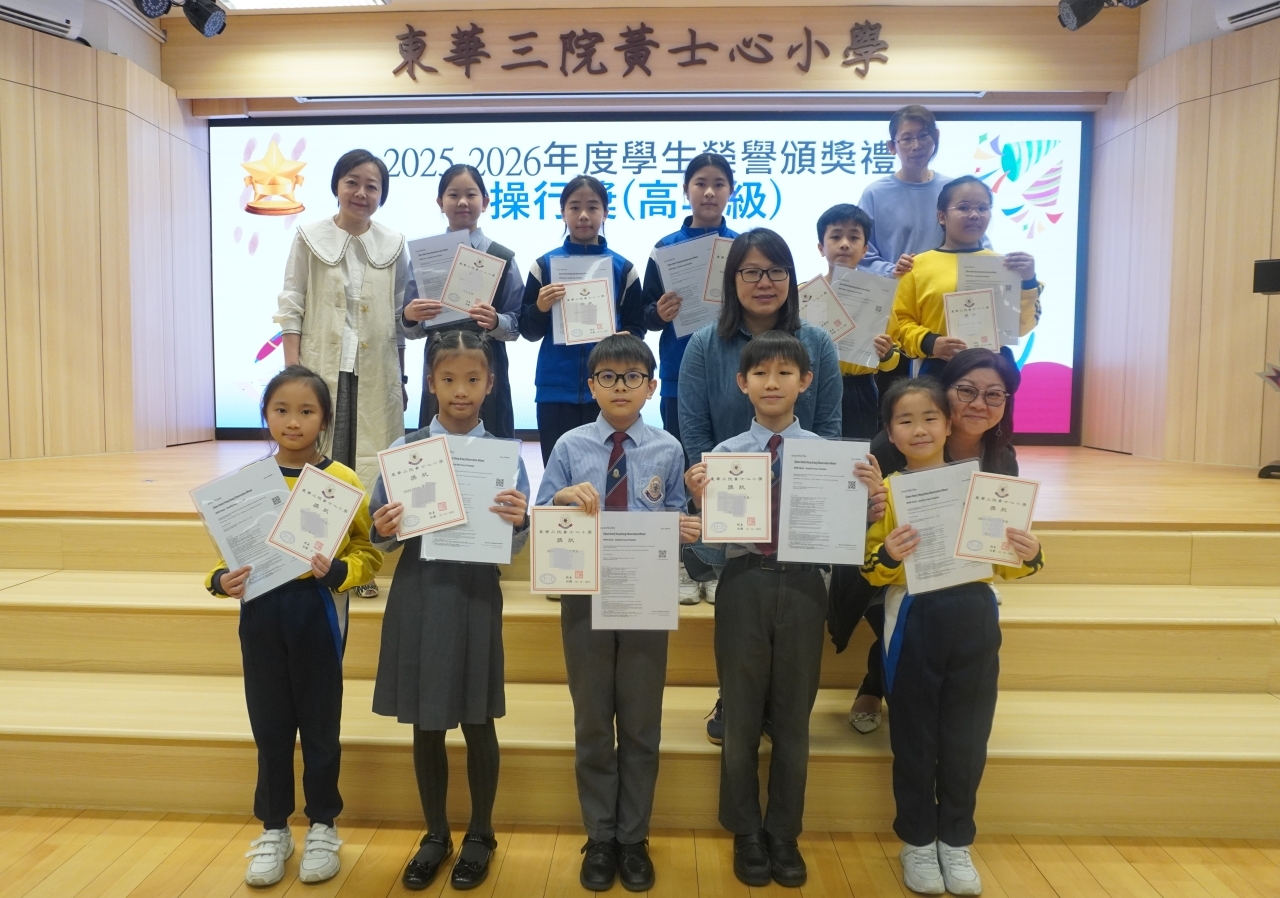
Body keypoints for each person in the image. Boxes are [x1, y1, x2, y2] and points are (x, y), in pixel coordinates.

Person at [684, 330, 878, 890]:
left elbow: (844, 538)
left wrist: (866, 505)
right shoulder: (723, 457)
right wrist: (701, 502)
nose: (772, 383)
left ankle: (784, 831)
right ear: (741, 383)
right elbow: (712, 549)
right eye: (760, 373)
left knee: (794, 717)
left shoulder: (830, 456)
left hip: (804, 586)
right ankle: (745, 829)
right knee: (741, 714)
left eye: (784, 373)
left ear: (806, 381)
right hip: (742, 583)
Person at [863, 377, 1043, 896]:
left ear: (948, 424)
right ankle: (918, 841)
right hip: (913, 615)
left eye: (929, 418)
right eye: (905, 421)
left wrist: (1029, 553)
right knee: (915, 737)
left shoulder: (984, 487)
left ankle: (956, 841)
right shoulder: (887, 493)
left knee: (967, 736)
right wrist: (890, 554)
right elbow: (871, 570)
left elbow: (1009, 565)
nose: (919, 429)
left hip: (974, 614)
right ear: (890, 433)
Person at [535, 333, 701, 892]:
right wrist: (562, 500)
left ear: (652, 387)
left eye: (633, 377)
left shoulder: (667, 449)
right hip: (584, 596)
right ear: (592, 386)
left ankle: (633, 837)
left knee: (640, 722)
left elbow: (675, 512)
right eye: (608, 377)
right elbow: (542, 511)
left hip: (645, 597)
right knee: (591, 721)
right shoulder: (570, 445)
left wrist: (682, 528)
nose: (620, 386)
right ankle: (600, 835)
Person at [206, 366, 381, 888]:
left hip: (316, 613)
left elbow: (368, 551)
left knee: (321, 728)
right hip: (260, 615)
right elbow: (225, 557)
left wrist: (342, 572)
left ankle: (324, 825)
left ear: (324, 420)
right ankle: (274, 828)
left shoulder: (342, 480)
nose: (293, 421)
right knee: (271, 728)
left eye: (307, 411)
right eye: (281, 410)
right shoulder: (246, 484)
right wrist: (220, 580)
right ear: (266, 415)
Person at [368, 330, 529, 892]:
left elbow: (515, 544)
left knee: (479, 717)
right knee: (427, 718)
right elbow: (380, 536)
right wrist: (384, 527)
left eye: (473, 379)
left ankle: (481, 833)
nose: (461, 390)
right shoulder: (406, 450)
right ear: (431, 383)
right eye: (449, 378)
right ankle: (435, 833)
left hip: (476, 594)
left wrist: (520, 523)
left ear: (491, 383)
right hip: (420, 591)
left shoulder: (504, 457)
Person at [677, 227, 841, 743]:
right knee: (740, 615)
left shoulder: (817, 342)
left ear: (790, 278)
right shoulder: (705, 344)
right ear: (732, 280)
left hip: (799, 504)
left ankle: (780, 706)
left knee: (791, 615)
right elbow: (694, 429)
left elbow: (829, 428)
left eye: (775, 271)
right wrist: (709, 490)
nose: (764, 282)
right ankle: (735, 696)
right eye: (751, 271)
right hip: (732, 507)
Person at [845, 348, 1022, 736]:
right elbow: (852, 520)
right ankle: (875, 683)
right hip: (891, 570)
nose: (979, 404)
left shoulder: (1001, 459)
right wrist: (869, 511)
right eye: (967, 391)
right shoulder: (895, 443)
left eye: (994, 394)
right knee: (909, 609)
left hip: (954, 574)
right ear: (946, 393)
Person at [274, 148, 408, 599]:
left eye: (372, 186)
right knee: (324, 463)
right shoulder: (309, 237)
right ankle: (311, 556)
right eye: (352, 182)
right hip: (320, 368)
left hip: (376, 371)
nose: (361, 192)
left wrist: (402, 377)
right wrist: (294, 372)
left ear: (382, 195)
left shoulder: (394, 244)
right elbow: (292, 302)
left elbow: (400, 316)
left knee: (368, 466)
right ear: (336, 186)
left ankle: (359, 564)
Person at [628, 153, 739, 605]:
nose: (709, 192)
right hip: (679, 375)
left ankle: (720, 564)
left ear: (730, 191)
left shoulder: (743, 247)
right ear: (687, 190)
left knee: (726, 474)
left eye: (718, 183)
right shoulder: (665, 248)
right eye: (700, 183)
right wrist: (659, 312)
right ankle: (683, 565)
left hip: (734, 377)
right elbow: (644, 315)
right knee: (682, 472)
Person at [519, 176, 645, 465]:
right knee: (558, 472)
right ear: (562, 212)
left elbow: (638, 327)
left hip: (608, 387)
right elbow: (528, 330)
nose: (584, 215)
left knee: (605, 471)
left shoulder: (623, 268)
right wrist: (540, 307)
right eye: (575, 207)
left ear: (606, 212)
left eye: (593, 207)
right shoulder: (543, 266)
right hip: (555, 389)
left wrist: (626, 337)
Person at [400, 164, 524, 438]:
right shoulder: (425, 256)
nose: (463, 202)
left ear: (485, 202)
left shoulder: (502, 256)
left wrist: (496, 321)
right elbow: (411, 329)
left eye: (471, 194)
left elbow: (518, 324)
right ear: (440, 202)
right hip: (440, 362)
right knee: (436, 450)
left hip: (487, 365)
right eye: (453, 195)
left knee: (492, 448)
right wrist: (410, 316)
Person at [889, 176, 1042, 380]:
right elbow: (899, 323)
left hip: (993, 374)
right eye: (963, 207)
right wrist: (930, 342)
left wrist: (1028, 281)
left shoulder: (1005, 267)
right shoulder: (915, 266)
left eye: (982, 208)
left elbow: (1023, 326)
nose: (974, 215)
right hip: (937, 373)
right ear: (942, 216)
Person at [814, 202, 903, 439]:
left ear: (864, 250)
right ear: (821, 247)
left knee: (855, 454)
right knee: (811, 453)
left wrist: (886, 354)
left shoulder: (880, 296)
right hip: (813, 387)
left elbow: (892, 358)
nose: (845, 244)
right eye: (835, 237)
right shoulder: (805, 294)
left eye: (854, 237)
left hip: (859, 389)